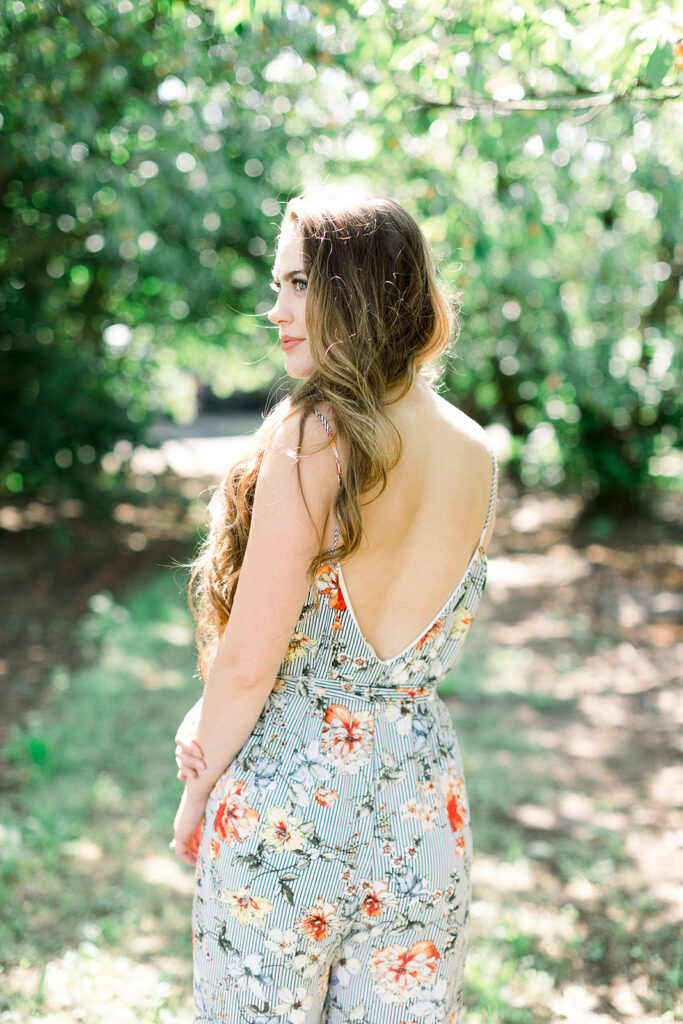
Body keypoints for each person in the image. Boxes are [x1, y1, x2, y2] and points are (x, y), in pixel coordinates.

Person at [171, 186, 498, 1024]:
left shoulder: (317, 434)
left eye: (293, 285)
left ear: (350, 290)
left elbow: (248, 664)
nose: (271, 306)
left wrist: (197, 790)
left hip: (292, 798)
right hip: (420, 800)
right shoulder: (473, 450)